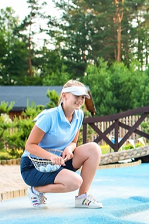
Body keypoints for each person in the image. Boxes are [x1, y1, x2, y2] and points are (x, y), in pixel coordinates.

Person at [20, 80, 103, 209]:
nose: (80, 100)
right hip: (34, 166)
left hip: (59, 162)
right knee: (75, 182)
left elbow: (73, 142)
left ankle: (82, 198)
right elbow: (30, 145)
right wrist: (51, 157)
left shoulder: (79, 115)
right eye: (76, 96)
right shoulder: (49, 117)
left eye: (82, 97)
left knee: (94, 149)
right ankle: (35, 191)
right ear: (64, 95)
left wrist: (69, 149)